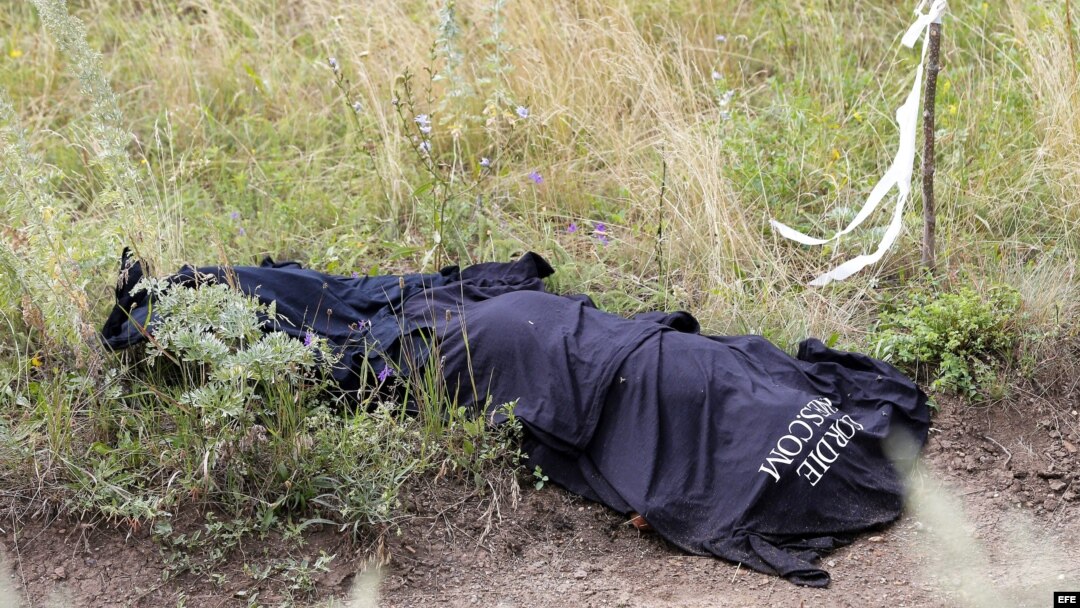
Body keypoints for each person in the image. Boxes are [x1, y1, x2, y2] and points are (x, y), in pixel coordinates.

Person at [102, 250, 930, 587]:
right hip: (559, 345)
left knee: (366, 333)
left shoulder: (807, 414)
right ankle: (182, 311)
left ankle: (183, 308)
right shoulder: (813, 432)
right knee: (366, 337)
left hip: (561, 335)